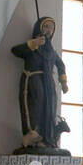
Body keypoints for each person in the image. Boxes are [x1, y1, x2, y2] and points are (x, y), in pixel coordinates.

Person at [12, 15, 70, 155]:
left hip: (48, 82)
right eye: (45, 26)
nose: (48, 30)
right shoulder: (33, 46)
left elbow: (60, 64)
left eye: (51, 28)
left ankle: (47, 136)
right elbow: (15, 51)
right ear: (39, 28)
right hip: (33, 78)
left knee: (50, 107)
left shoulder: (50, 51)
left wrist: (63, 82)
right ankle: (32, 132)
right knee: (36, 104)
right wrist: (33, 44)